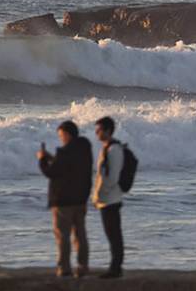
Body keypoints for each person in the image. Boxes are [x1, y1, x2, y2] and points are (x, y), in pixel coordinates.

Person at [37, 121, 94, 277]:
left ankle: (64, 267)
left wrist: (42, 159)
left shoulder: (64, 153)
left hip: (63, 201)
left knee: (63, 235)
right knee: (80, 234)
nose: (61, 139)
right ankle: (83, 266)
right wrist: (51, 157)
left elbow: (51, 172)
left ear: (68, 134)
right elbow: (67, 166)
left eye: (61, 135)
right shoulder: (85, 148)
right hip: (81, 198)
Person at [92, 116, 128, 279]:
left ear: (107, 130)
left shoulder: (114, 150)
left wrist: (101, 194)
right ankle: (115, 266)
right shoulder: (106, 148)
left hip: (111, 199)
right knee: (111, 233)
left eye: (99, 130)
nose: (96, 133)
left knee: (114, 234)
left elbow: (112, 178)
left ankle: (116, 267)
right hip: (106, 199)